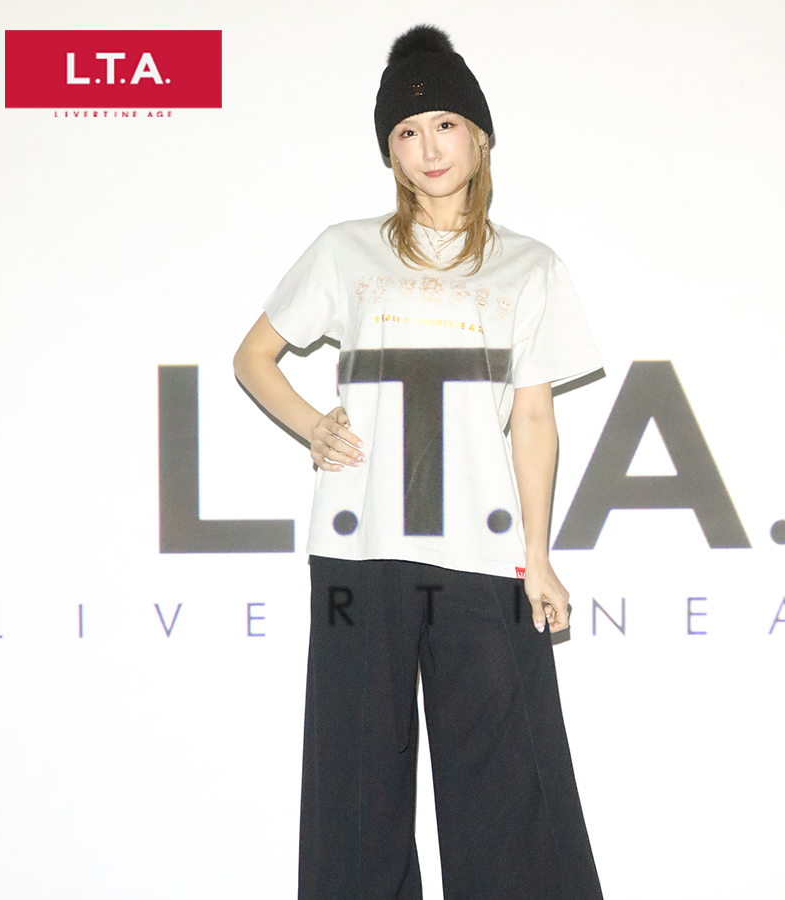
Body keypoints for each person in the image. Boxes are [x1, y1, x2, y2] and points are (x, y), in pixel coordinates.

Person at [234, 24, 606, 900]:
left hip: (483, 554)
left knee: (510, 788)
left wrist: (539, 557)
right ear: (390, 153)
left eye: (444, 124)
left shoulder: (530, 267)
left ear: (479, 136)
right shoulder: (346, 249)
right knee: (357, 790)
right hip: (360, 553)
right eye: (406, 132)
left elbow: (534, 416)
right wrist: (312, 425)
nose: (429, 148)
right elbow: (253, 357)